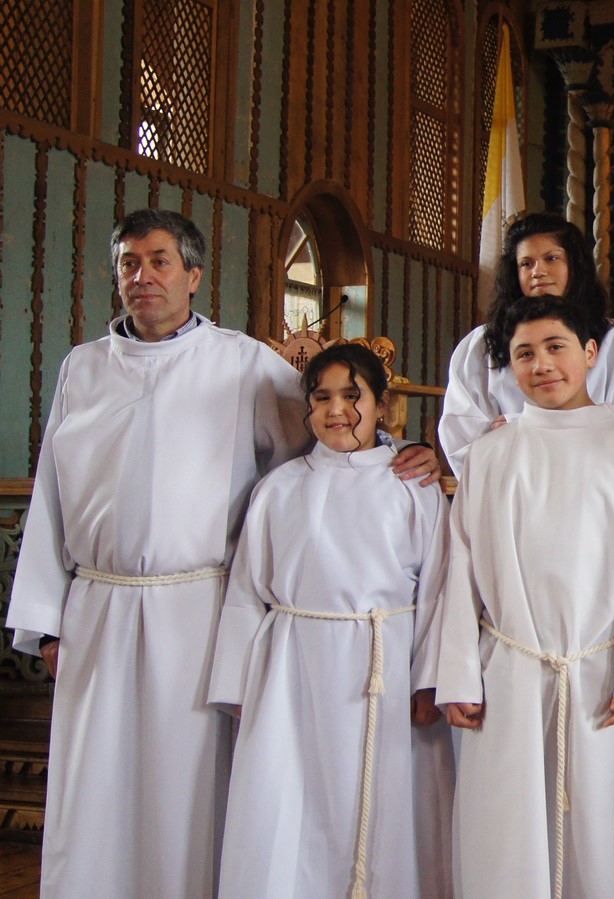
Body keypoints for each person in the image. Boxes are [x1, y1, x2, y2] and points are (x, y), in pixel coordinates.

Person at [4, 209, 437, 897]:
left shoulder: (243, 363)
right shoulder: (82, 368)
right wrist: (48, 620)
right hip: (98, 605)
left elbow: (326, 444)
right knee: (96, 780)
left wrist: (395, 452)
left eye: (159, 261)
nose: (142, 276)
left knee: (189, 783)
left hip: (197, 606)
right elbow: (52, 494)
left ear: (193, 275)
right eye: (128, 263)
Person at [435, 297, 614, 899]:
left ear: (590, 353)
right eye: (523, 354)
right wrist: (459, 673)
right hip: (509, 672)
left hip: (598, 672)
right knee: (503, 832)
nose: (541, 365)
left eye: (555, 347)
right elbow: (459, 565)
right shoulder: (489, 454)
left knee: (598, 832)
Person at [209, 343, 454, 899]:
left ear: (383, 405)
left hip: (384, 670)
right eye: (321, 398)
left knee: (381, 806)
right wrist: (241, 687)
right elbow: (248, 591)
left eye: (352, 395)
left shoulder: (412, 488)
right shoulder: (278, 489)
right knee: (290, 799)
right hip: (291, 672)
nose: (336, 410)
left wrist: (430, 680)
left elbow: (440, 587)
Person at [439, 212, 614, 469]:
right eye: (526, 264)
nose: (538, 272)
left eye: (551, 258)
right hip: (511, 483)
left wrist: (519, 426)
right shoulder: (480, 345)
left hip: (592, 481)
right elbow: (462, 434)